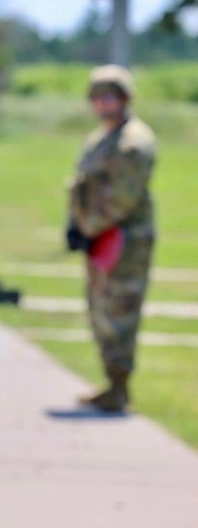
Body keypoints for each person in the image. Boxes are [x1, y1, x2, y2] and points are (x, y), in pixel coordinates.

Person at [66, 64, 157, 414]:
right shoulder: (105, 135)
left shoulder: (132, 143)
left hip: (123, 241)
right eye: (98, 97)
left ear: (125, 99)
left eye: (111, 96)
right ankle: (112, 384)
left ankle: (119, 388)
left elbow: (121, 197)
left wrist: (86, 227)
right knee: (102, 310)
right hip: (101, 237)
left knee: (119, 311)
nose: (104, 103)